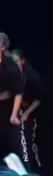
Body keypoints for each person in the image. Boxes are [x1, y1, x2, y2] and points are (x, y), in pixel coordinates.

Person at [11, 48, 45, 169]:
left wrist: (26, 113)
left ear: (22, 61)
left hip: (30, 111)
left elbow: (38, 99)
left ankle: (32, 170)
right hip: (15, 111)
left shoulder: (31, 77)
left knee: (26, 143)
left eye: (16, 61)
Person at [0, 32, 25, 164]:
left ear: (3, 47)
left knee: (5, 140)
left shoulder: (10, 65)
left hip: (5, 108)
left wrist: (14, 115)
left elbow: (18, 92)